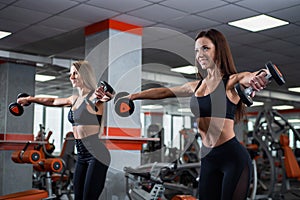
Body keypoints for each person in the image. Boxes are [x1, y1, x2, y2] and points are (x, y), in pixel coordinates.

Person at [126, 29, 269, 200]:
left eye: (205, 48)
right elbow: (164, 92)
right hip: (208, 157)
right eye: (196, 50)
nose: (200, 54)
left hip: (232, 156)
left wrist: (260, 76)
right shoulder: (196, 86)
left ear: (219, 50)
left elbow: (250, 76)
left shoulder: (231, 82)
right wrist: (133, 96)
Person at [17, 60, 114, 200]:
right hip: (81, 155)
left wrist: (107, 95)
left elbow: (108, 96)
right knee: (78, 197)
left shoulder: (95, 96)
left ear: (85, 75)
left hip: (97, 155)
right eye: (70, 74)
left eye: (75, 73)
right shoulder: (74, 99)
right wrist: (30, 99)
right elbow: (52, 101)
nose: (71, 77)